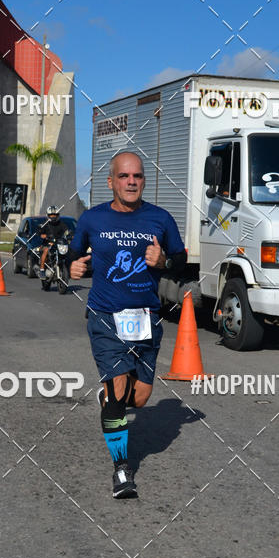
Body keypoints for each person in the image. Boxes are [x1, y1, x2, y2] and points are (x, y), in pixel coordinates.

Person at [69, 152, 187, 498]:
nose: (131, 181)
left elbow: (180, 262)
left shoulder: (160, 219)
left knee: (140, 398)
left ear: (143, 181)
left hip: (146, 318)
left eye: (137, 176)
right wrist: (72, 268)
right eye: (124, 176)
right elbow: (73, 254)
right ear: (111, 182)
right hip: (106, 317)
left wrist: (163, 260)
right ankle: (122, 470)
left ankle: (110, 399)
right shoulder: (93, 219)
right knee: (119, 390)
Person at [37, 205, 69, 279]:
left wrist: (70, 234)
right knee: (46, 250)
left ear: (58, 215)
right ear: (48, 215)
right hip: (47, 243)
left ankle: (66, 268)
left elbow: (67, 231)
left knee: (68, 250)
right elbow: (40, 232)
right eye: (51, 215)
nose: (53, 216)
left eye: (55, 215)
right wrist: (42, 235)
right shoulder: (45, 224)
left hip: (58, 243)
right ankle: (42, 270)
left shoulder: (61, 224)